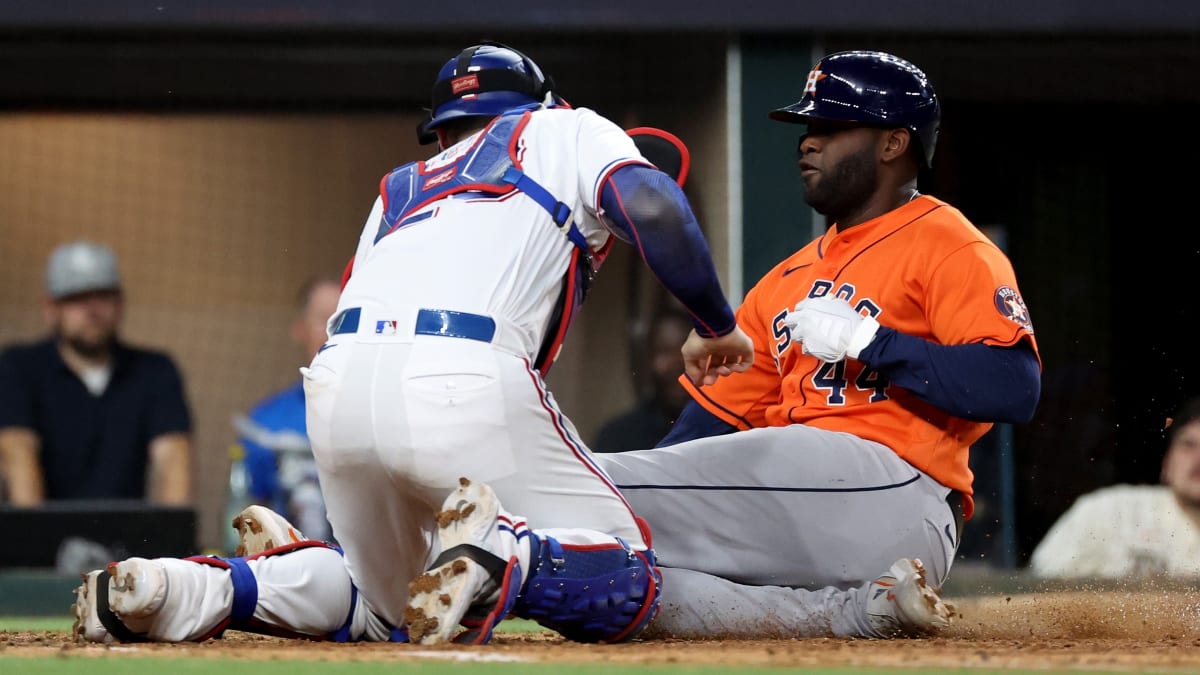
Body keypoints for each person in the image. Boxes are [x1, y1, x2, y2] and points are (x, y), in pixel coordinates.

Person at [71, 41, 753, 646]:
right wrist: (716, 323)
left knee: (381, 605)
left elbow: (350, 295)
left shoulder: (400, 187)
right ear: (539, 102)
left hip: (339, 384)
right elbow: (656, 206)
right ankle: (502, 552)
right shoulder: (565, 127)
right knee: (631, 569)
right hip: (465, 375)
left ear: (441, 133)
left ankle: (183, 589)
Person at [588, 48, 1042, 638]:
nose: (808, 141)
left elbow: (1014, 389)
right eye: (807, 128)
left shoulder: (951, 247)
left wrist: (873, 342)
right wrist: (644, 492)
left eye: (829, 127)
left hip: (896, 494)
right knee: (629, 589)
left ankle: (524, 522)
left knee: (584, 488)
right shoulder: (783, 281)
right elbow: (699, 439)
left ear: (892, 143)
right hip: (805, 507)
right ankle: (866, 616)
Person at [0, 240, 193, 505]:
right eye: (76, 298)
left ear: (121, 303)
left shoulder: (155, 372)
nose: (92, 310)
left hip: (131, 543)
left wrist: (173, 540)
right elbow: (17, 453)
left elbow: (173, 458)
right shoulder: (18, 369)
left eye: (103, 296)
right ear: (50, 309)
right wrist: (35, 539)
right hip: (46, 541)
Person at [1028, 396, 1200, 579]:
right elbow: (1042, 580)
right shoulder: (1109, 510)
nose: (1198, 458)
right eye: (1188, 445)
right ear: (1166, 464)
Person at [228, 276, 342, 548]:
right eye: (326, 320)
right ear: (300, 329)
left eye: (346, 323)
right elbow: (245, 513)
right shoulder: (266, 423)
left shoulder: (386, 415)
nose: (335, 334)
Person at [592, 306, 694, 452]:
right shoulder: (618, 437)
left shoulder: (722, 432)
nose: (676, 363)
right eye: (665, 351)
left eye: (684, 351)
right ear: (648, 360)